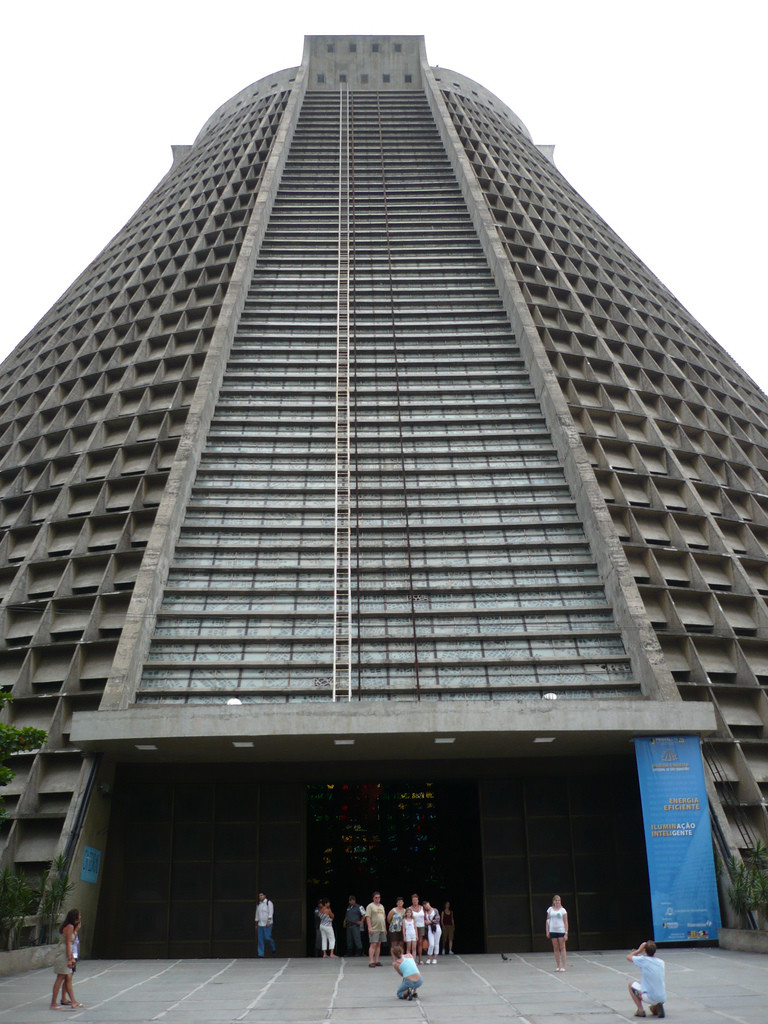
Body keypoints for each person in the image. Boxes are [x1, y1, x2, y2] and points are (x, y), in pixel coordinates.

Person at [50, 909, 83, 1010]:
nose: (80, 917)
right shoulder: (69, 927)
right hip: (64, 954)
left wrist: (72, 957)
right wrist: (69, 958)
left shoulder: (72, 928)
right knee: (60, 978)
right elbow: (68, 943)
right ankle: (53, 1003)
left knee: (68, 978)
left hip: (67, 953)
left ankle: (73, 1001)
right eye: (79, 915)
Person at [626, 940, 666, 1018]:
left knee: (631, 985)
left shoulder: (643, 960)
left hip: (649, 996)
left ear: (645, 950)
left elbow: (628, 957)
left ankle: (640, 1010)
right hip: (662, 997)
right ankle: (656, 1007)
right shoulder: (661, 962)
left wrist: (638, 950)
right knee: (653, 1004)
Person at [60, 913, 81, 1006]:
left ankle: (67, 998)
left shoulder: (73, 932)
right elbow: (70, 944)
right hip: (71, 956)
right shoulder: (72, 931)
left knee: (67, 978)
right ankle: (71, 1000)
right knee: (67, 978)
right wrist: (70, 958)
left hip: (72, 955)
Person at [546, 894, 568, 972]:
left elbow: (565, 922)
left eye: (559, 900)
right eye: (556, 900)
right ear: (553, 901)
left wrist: (566, 933)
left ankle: (563, 966)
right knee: (555, 948)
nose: (557, 902)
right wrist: (547, 931)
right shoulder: (550, 910)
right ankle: (558, 965)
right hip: (553, 930)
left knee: (562, 947)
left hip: (561, 930)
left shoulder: (563, 910)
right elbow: (548, 921)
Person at [365, 891, 387, 967]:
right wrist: (369, 927)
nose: (377, 899)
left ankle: (377, 960)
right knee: (373, 944)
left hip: (381, 928)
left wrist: (385, 928)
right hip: (374, 928)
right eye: (376, 897)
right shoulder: (370, 906)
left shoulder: (382, 906)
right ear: (373, 898)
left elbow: (384, 918)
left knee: (378, 944)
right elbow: (368, 917)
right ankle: (371, 961)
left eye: (379, 897)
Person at [255, 892, 276, 957]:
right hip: (260, 924)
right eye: (259, 896)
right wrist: (256, 923)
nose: (260, 897)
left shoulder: (268, 903)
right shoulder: (259, 904)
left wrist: (268, 921)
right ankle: (260, 954)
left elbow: (270, 913)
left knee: (267, 937)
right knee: (260, 939)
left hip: (267, 923)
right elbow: (257, 914)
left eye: (261, 895)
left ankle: (273, 948)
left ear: (264, 896)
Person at [410, 893, 425, 965]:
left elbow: (425, 916)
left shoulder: (422, 908)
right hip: (413, 927)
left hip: (421, 926)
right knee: (414, 944)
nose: (415, 901)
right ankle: (413, 959)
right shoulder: (409, 908)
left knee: (420, 943)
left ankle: (420, 959)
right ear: (412, 901)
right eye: (413, 900)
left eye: (416, 900)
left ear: (418, 900)